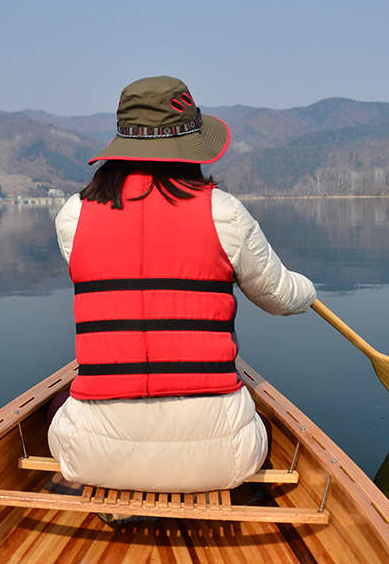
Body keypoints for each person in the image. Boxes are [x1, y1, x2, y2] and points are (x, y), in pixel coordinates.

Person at [48, 75, 316, 493]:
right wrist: (309, 291)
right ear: (190, 148)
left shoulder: (73, 215)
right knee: (261, 422)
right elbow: (280, 297)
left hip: (92, 458)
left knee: (55, 404)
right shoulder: (225, 212)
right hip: (222, 460)